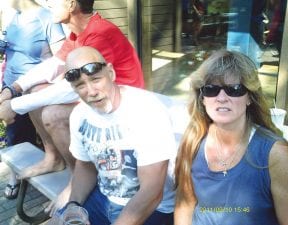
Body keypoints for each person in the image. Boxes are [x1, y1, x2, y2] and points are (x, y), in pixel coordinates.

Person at [0, 0, 144, 183]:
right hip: (99, 99)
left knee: (52, 114)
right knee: (33, 91)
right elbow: (54, 65)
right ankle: (53, 159)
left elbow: (78, 88)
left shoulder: (100, 34)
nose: (48, 5)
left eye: (52, 1)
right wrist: (14, 89)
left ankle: (81, 180)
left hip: (120, 107)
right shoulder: (79, 34)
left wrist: (14, 104)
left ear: (71, 4)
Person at [174, 50, 288, 224]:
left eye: (234, 89)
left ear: (250, 97)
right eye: (211, 89)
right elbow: (185, 205)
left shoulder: (276, 155)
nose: (222, 98)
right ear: (202, 98)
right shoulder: (193, 140)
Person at [54, 46, 176, 225]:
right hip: (103, 198)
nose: (91, 92)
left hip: (152, 208)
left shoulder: (147, 110)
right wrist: (73, 205)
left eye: (96, 79)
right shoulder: (79, 115)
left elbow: (152, 191)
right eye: (80, 85)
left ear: (110, 73)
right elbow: (86, 166)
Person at [0, 0, 65, 199]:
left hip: (36, 89)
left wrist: (54, 93)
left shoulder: (47, 17)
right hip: (10, 87)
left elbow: (61, 59)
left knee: (47, 135)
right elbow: (8, 50)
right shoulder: (13, 17)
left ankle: (60, 173)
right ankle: (15, 177)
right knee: (15, 134)